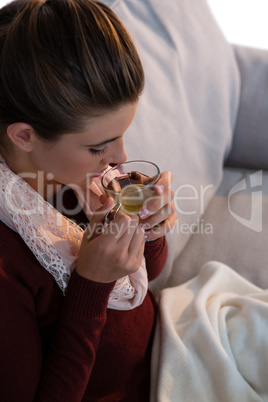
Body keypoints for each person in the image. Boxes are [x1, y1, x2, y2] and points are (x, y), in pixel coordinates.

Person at [0, 0, 177, 401]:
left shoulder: (72, 174)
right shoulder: (7, 265)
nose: (120, 157)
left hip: (165, 352)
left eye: (121, 134)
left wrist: (148, 232)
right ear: (24, 136)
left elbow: (150, 274)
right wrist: (91, 282)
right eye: (100, 146)